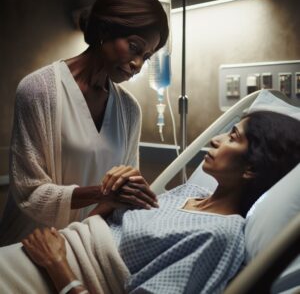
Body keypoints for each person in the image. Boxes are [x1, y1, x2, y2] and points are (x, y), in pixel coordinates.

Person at [0, 111, 299, 294]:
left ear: (252, 169)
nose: (217, 139)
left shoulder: (221, 236)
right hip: (46, 249)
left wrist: (57, 265)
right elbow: (101, 227)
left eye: (233, 137)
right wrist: (111, 197)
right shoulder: (187, 192)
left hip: (55, 275)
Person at [0, 0, 169, 246]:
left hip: (83, 246)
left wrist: (125, 196)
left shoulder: (129, 110)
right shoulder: (39, 90)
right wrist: (102, 193)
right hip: (27, 249)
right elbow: (30, 193)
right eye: (134, 47)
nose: (137, 64)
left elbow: (124, 191)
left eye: (145, 57)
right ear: (105, 29)